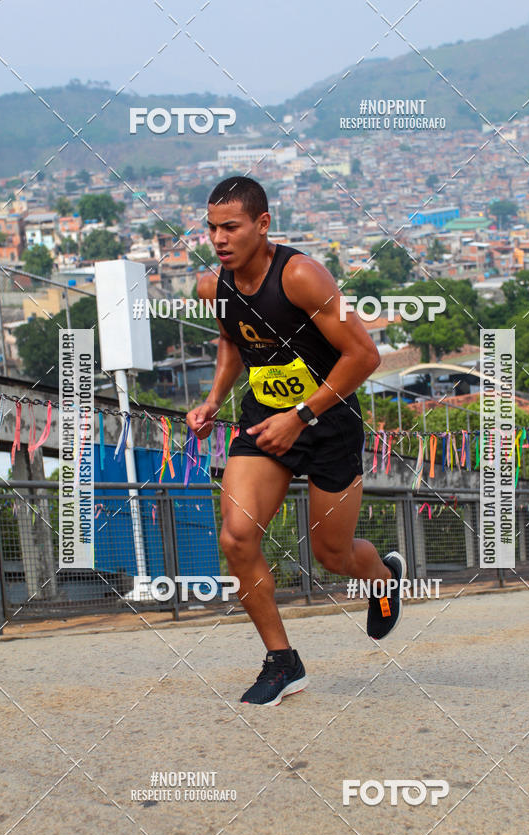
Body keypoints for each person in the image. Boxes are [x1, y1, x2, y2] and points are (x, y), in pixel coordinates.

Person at [186, 176, 405, 706]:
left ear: (263, 225)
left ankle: (382, 576)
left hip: (327, 423)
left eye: (231, 227)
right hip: (263, 424)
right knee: (236, 538)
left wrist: (301, 413)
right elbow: (231, 342)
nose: (218, 238)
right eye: (212, 227)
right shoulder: (212, 287)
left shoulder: (302, 276)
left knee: (333, 556)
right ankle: (282, 662)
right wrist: (215, 398)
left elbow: (365, 357)